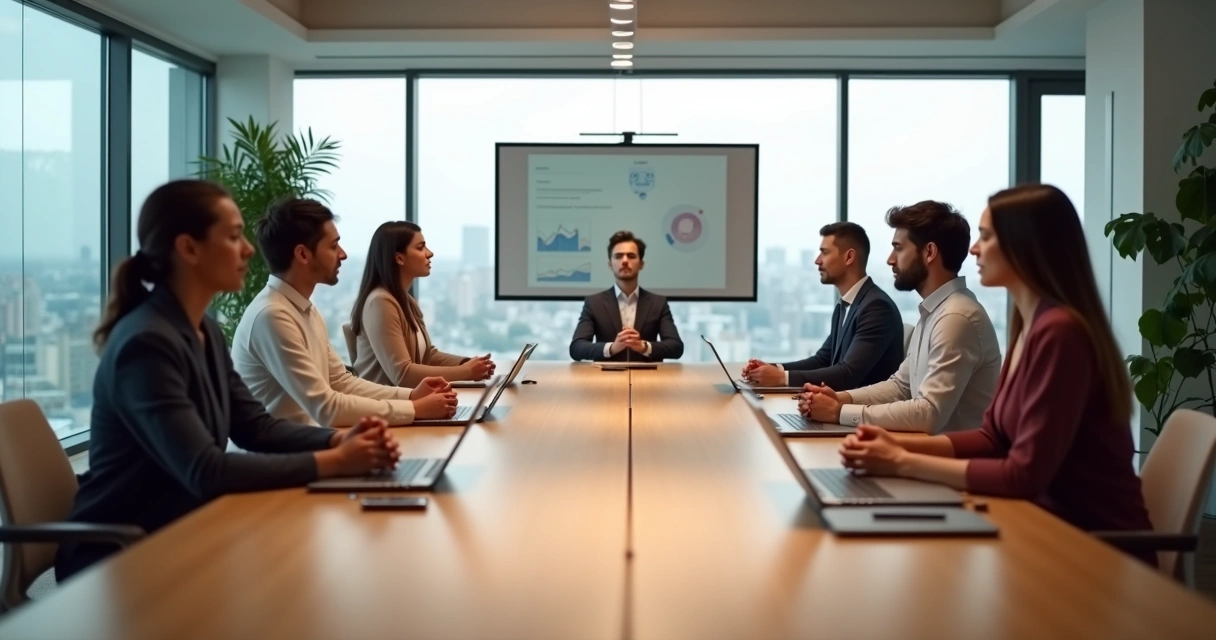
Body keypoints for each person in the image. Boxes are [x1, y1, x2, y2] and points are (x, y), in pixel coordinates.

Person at [57, 180, 401, 581]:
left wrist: (336, 439)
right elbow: (205, 469)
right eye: (234, 236)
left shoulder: (203, 329)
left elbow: (256, 427)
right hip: (124, 553)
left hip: (186, 527)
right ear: (189, 248)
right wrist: (336, 461)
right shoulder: (146, 344)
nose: (249, 250)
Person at [837, 184, 1154, 564]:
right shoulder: (1030, 324)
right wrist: (893, 447)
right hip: (1043, 526)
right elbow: (993, 437)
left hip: (1091, 548)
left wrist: (901, 461)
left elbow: (1024, 476)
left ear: (1026, 245)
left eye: (986, 237)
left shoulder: (1060, 333)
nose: (973, 249)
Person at [231, 199, 457, 428]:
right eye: (333, 246)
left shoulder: (303, 309)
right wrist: (414, 409)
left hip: (308, 447)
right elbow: (326, 408)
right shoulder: (272, 316)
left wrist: (410, 397)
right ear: (303, 254)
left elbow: (340, 382)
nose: (343, 254)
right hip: (276, 459)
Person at [799, 201, 1001, 433]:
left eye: (898, 248)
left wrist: (838, 412)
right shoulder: (936, 311)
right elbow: (901, 386)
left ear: (929, 252)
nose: (890, 259)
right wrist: (839, 398)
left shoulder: (956, 318)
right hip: (924, 452)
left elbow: (929, 413)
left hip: (945, 462)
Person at [741, 222, 903, 388]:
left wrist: (782, 378)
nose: (817, 261)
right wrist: (773, 369)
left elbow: (848, 374)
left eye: (824, 253)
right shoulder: (845, 305)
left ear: (849, 257)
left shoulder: (876, 308)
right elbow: (822, 360)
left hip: (861, 411)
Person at [349, 221, 496, 387]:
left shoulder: (406, 301)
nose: (430, 253)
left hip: (410, 402)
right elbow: (403, 374)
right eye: (420, 248)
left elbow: (427, 356)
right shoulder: (380, 302)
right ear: (399, 258)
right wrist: (466, 372)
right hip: (387, 408)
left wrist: (469, 364)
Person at [569, 230, 684, 362]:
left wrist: (644, 346)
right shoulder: (594, 303)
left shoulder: (658, 303)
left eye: (631, 256)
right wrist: (612, 347)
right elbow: (576, 348)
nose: (624, 261)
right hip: (605, 378)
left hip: (648, 378)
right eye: (618, 256)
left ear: (641, 264)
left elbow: (676, 347)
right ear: (610, 265)